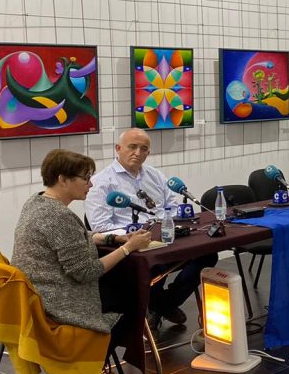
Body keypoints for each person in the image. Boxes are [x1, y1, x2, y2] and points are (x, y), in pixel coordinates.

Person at [12, 149, 153, 374]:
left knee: (120, 284)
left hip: (39, 293)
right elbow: (86, 272)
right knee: (132, 303)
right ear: (63, 179)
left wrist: (110, 237)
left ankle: (92, 368)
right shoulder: (58, 216)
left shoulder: (37, 202)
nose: (91, 184)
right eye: (85, 178)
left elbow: (71, 239)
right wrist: (128, 247)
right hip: (58, 303)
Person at [85, 128, 214, 326]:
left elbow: (173, 206)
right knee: (156, 266)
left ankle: (162, 304)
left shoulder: (155, 175)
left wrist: (169, 221)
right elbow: (100, 227)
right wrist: (131, 235)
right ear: (118, 149)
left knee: (207, 255)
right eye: (132, 147)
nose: (137, 152)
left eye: (143, 148)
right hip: (133, 246)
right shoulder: (101, 183)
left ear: (148, 153)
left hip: (165, 237)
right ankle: (160, 305)